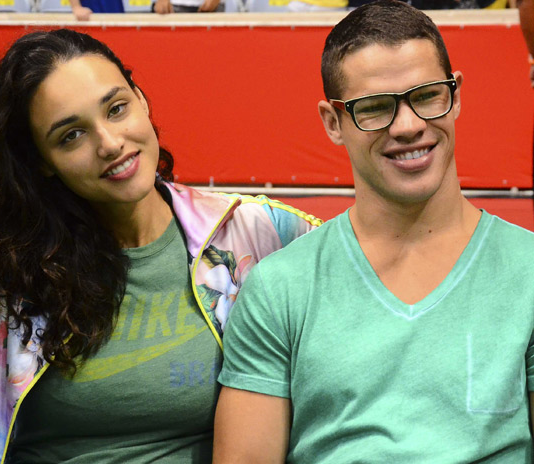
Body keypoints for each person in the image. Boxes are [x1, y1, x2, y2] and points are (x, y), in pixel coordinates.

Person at [0, 28, 321, 464]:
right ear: (42, 161)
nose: (110, 143)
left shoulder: (249, 230)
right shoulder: (18, 257)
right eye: (70, 134)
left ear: (141, 99)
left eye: (117, 107)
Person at [213, 1, 534, 462]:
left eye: (426, 96)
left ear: (456, 95)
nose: (408, 126)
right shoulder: (279, 289)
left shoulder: (527, 272)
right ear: (332, 122)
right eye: (375, 108)